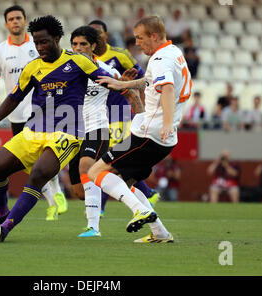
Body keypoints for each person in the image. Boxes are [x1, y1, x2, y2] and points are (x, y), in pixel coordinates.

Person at [0, 15, 120, 242]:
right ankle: (2, 215)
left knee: (38, 174)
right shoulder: (33, 68)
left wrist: (130, 86)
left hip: (68, 132)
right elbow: (13, 99)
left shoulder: (78, 61)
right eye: (36, 43)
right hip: (33, 131)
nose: (39, 47)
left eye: (44, 42)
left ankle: (5, 228)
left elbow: (107, 81)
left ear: (57, 39)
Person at [89, 15, 194, 243]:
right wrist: (122, 84)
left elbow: (166, 89)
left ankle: (141, 211)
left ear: (154, 36)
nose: (137, 43)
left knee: (95, 172)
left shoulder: (160, 60)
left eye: (140, 38)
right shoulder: (173, 52)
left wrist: (166, 122)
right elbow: (148, 81)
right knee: (128, 182)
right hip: (164, 139)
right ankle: (160, 233)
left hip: (148, 134)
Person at [0, 5, 67, 220]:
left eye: (18, 18)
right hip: (16, 114)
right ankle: (51, 201)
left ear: (25, 21)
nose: (15, 21)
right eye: (11, 19)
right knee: (28, 164)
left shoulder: (40, 44)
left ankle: (57, 190)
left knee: (46, 155)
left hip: (41, 110)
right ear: (6, 24)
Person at [67, 25, 140, 237]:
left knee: (86, 166)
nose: (78, 48)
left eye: (83, 44)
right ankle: (134, 197)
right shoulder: (65, 70)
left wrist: (139, 119)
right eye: (75, 44)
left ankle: (93, 227)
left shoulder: (106, 71)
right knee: (80, 191)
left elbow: (130, 93)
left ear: (93, 47)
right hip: (73, 133)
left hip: (97, 128)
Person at [88, 20, 159, 215]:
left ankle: (101, 207)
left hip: (120, 112)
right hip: (98, 114)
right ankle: (147, 193)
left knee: (111, 159)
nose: (95, 35)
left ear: (106, 35)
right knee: (108, 158)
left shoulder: (119, 55)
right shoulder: (84, 60)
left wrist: (142, 109)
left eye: (98, 32)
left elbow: (143, 79)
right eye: (91, 32)